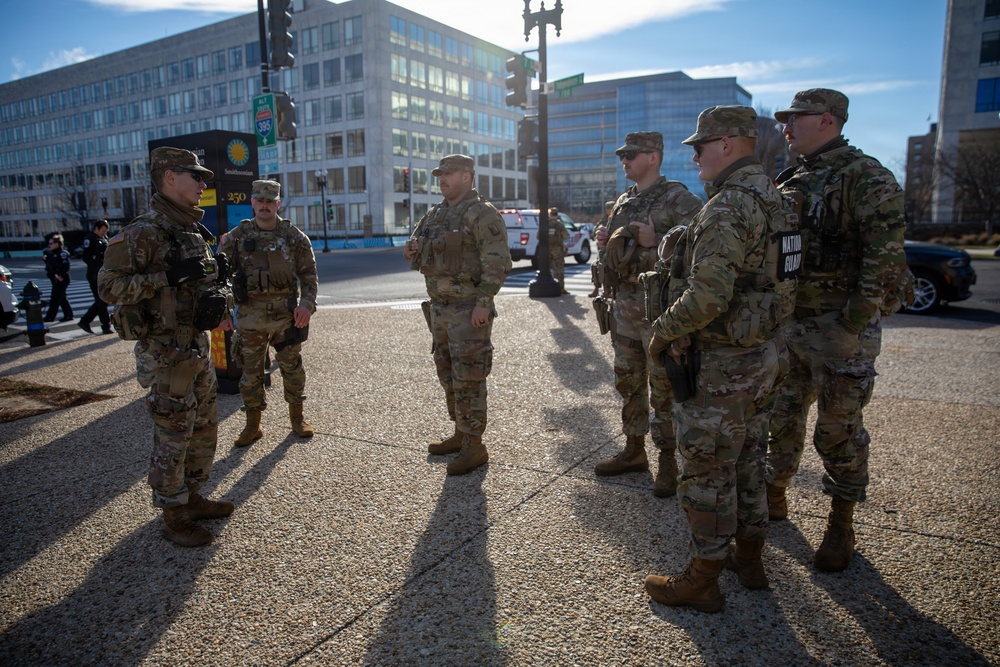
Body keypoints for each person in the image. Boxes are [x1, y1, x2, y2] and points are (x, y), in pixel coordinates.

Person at [643, 105, 797, 613]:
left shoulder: (728, 205)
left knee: (707, 470)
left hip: (723, 366)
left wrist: (661, 333)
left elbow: (708, 295)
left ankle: (703, 577)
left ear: (728, 143)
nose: (695, 156)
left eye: (700, 146)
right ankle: (749, 559)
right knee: (750, 460)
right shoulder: (779, 198)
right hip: (764, 355)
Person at [765, 89, 907, 572]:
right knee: (780, 420)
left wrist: (853, 322)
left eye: (795, 118)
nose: (786, 126)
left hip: (839, 330)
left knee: (838, 431)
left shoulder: (866, 176)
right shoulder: (791, 178)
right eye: (785, 119)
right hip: (792, 326)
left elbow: (884, 258)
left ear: (827, 120)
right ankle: (774, 497)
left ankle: (841, 522)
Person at [99, 146, 234, 548]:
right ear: (169, 177)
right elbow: (108, 288)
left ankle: (191, 497)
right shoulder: (144, 231)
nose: (202, 183)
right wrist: (167, 276)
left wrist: (218, 298)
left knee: (204, 427)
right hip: (165, 352)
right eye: (196, 175)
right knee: (174, 433)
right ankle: (173, 516)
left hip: (196, 345)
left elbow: (204, 284)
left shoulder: (193, 228)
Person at [593, 131, 703, 497]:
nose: (624, 159)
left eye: (632, 154)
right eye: (622, 154)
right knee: (628, 380)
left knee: (663, 387)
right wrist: (607, 243)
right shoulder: (624, 200)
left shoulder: (679, 199)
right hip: (624, 306)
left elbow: (702, 251)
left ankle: (668, 462)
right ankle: (634, 449)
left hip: (659, 309)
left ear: (654, 156)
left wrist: (656, 243)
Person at [404, 154, 512, 476]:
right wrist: (411, 251)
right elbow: (418, 253)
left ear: (467, 176)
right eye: (440, 174)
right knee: (448, 374)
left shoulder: (481, 212)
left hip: (468, 310)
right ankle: (461, 433)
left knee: (470, 378)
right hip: (439, 310)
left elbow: (498, 261)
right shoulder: (435, 214)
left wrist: (484, 301)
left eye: (449, 173)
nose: (442, 179)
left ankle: (475, 446)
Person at [218, 180, 318, 447]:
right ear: (252, 203)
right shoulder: (238, 237)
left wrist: (306, 305)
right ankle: (253, 425)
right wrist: (224, 311)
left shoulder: (294, 237)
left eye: (269, 201)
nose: (264, 206)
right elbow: (220, 278)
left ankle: (297, 419)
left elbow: (309, 276)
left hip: (286, 317)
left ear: (278, 204)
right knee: (250, 375)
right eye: (259, 201)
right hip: (250, 317)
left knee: (293, 369)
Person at [78, 219, 112, 334]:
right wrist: (97, 267)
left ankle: (85, 321)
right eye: (103, 231)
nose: (104, 233)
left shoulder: (103, 238)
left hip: (103, 274)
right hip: (95, 275)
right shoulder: (90, 239)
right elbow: (86, 258)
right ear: (96, 228)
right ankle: (105, 326)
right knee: (102, 300)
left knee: (103, 300)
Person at [43, 233, 73, 322]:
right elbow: (50, 267)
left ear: (57, 244)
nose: (49, 245)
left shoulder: (62, 253)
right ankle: (68, 315)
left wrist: (61, 276)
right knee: (62, 298)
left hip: (61, 279)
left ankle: (50, 317)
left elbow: (65, 267)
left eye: (51, 243)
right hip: (55, 279)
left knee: (55, 298)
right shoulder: (51, 254)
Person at [588, 200, 615, 298]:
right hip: (601, 250)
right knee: (599, 269)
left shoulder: (616, 219)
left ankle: (610, 291)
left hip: (612, 249)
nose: (608, 210)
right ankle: (597, 289)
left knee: (611, 270)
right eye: (607, 208)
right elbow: (594, 232)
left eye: (610, 208)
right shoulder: (603, 220)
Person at [547, 207, 570, 295]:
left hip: (547, 250)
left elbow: (538, 236)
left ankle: (549, 287)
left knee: (548, 269)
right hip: (557, 250)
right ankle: (560, 288)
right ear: (557, 215)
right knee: (559, 269)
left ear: (550, 214)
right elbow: (566, 236)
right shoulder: (559, 224)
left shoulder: (545, 224)